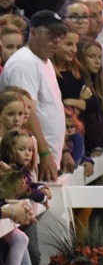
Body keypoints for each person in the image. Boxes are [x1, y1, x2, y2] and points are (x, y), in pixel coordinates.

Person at [1, 12, 71, 176]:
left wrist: (64, 150)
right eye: (51, 34)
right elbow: (25, 114)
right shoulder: (24, 63)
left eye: (60, 35)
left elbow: (51, 108)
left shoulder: (43, 60)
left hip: (44, 155)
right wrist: (44, 153)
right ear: (32, 33)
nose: (57, 40)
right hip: (31, 158)